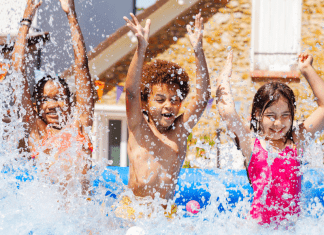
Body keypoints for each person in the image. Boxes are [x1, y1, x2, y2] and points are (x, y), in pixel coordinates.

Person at [216, 51, 324, 225]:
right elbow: (227, 112)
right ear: (258, 115)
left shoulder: (297, 141)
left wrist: (307, 69)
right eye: (271, 116)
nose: (278, 123)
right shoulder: (251, 144)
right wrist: (224, 78)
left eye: (285, 115)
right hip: (259, 229)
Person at [119, 12, 210, 218]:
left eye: (175, 100)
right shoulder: (138, 126)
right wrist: (141, 49)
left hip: (165, 216)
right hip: (132, 212)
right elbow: (131, 93)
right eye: (160, 100)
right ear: (145, 102)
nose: (168, 105)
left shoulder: (180, 130)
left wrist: (198, 51)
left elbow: (203, 97)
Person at [11, 0, 94, 193]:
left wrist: (71, 14)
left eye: (60, 98)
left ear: (70, 102)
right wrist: (27, 18)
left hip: (83, 213)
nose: (54, 104)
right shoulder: (37, 133)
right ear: (36, 106)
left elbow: (81, 65)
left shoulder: (80, 125)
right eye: (46, 99)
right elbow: (17, 72)